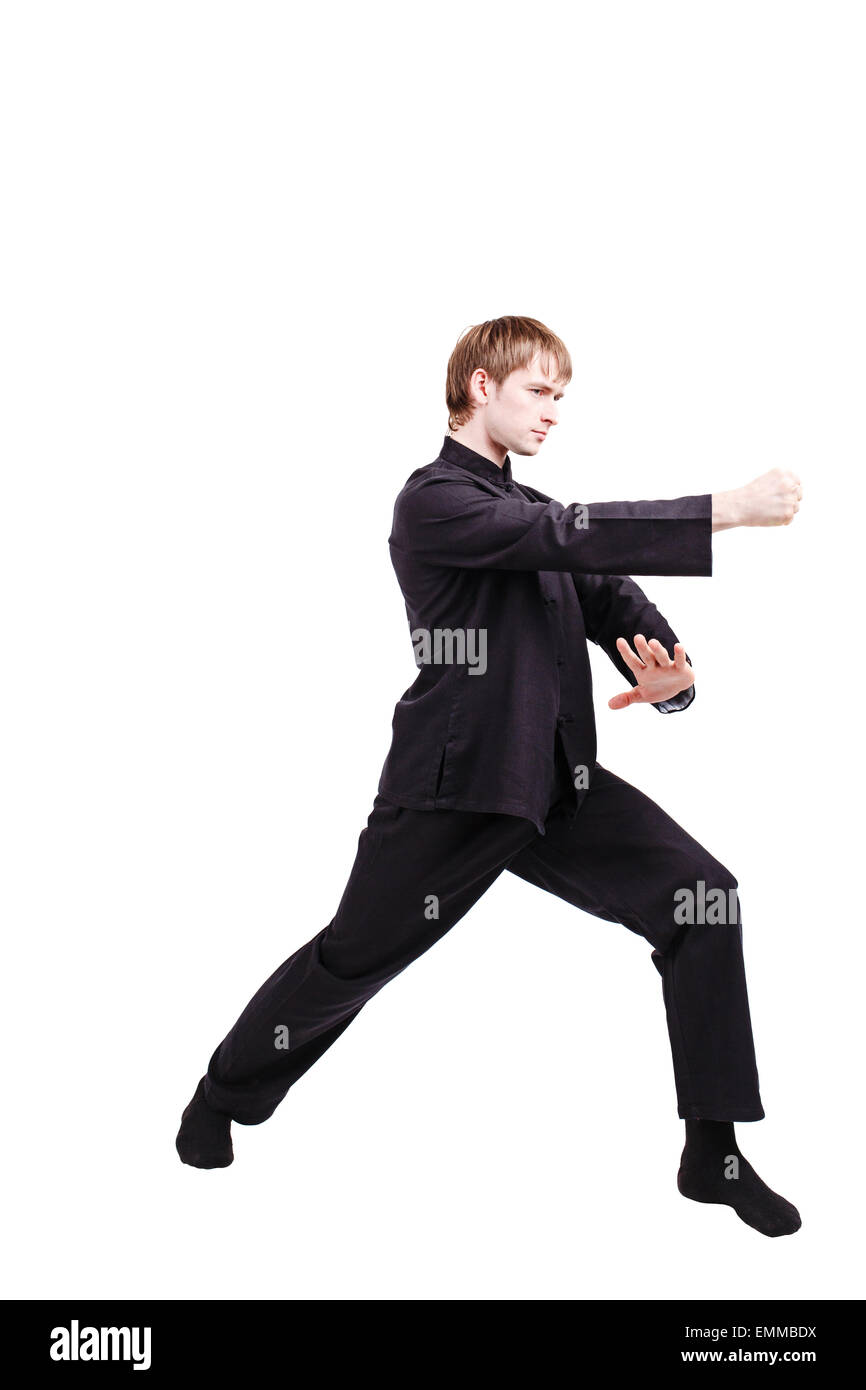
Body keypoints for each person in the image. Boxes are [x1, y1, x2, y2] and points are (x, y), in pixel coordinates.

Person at [177, 316, 802, 1237]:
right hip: (458, 788)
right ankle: (222, 1095)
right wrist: (727, 507)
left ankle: (712, 1153)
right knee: (353, 959)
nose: (555, 411)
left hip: (560, 785)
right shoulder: (435, 502)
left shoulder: (540, 521)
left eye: (562, 396)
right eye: (538, 391)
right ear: (480, 387)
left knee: (702, 898)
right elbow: (564, 533)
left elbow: (614, 595)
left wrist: (673, 685)